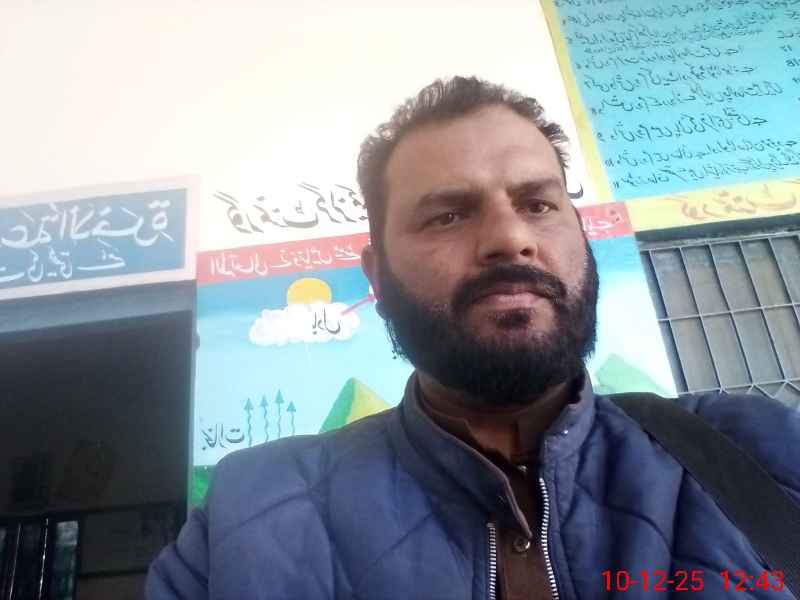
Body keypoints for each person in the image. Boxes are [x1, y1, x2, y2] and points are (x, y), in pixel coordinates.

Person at [146, 77, 800, 599]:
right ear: (377, 276)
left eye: (538, 204)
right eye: (448, 215)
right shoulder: (245, 520)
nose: (511, 238)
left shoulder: (756, 449)